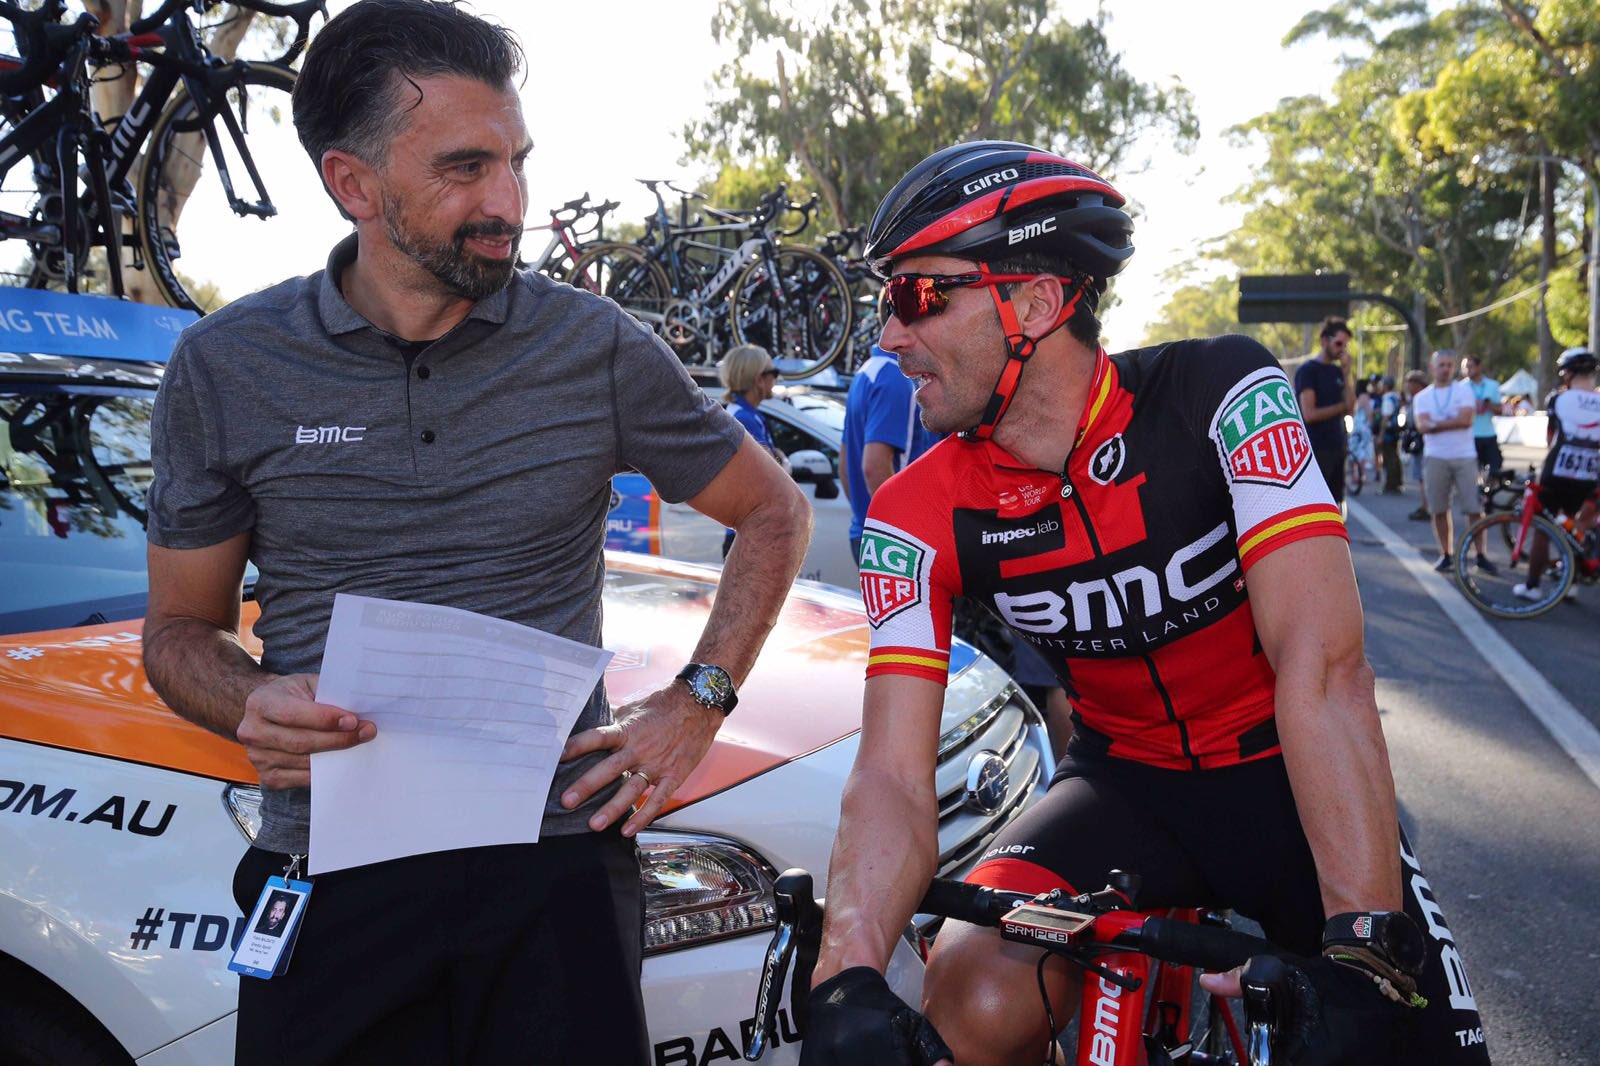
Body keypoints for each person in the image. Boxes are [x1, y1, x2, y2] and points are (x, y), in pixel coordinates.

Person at [140, 4, 811, 1064]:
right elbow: (177, 634)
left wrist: (700, 699)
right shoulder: (228, 367)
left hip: (553, 869)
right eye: (464, 168)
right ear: (352, 183)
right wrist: (248, 700)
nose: (507, 204)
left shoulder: (591, 346)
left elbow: (773, 509)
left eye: (515, 162)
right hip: (329, 861)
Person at [800, 140, 1487, 1066]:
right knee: (971, 995)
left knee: (1408, 1041)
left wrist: (1365, 944)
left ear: (1035, 303)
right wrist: (847, 974)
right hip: (1123, 786)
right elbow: (889, 773)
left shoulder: (1224, 394)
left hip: (1286, 775)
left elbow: (1323, 671)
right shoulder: (916, 514)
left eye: (919, 295)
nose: (888, 334)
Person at [1514, 347, 1600, 602]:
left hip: (1558, 471)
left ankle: (1532, 586)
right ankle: (1570, 583)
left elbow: (1550, 438)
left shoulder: (1558, 399)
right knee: (1574, 526)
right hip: (1590, 472)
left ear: (1569, 373)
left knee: (1544, 528)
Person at [842, 341, 936, 563]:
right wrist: (901, 529)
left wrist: (862, 514)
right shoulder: (893, 378)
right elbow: (874, 467)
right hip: (892, 539)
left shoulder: (867, 371)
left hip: (867, 531)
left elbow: (845, 462)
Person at [1415, 351, 1492, 574]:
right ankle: (1446, 554)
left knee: (1474, 508)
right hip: (1435, 457)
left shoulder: (1464, 390)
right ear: (1432, 367)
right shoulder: (1423, 397)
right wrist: (1451, 421)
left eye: (1449, 365)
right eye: (1441, 365)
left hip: (1465, 456)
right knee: (1439, 508)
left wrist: (1436, 424)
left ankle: (1481, 554)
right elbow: (1422, 426)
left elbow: (1466, 420)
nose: (1446, 369)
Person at [719, 344, 790, 557]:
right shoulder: (745, 418)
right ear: (759, 379)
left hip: (744, 530)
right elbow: (773, 476)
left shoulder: (744, 413)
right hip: (748, 534)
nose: (776, 379)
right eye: (773, 373)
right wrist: (782, 462)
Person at [1295, 317, 1354, 503]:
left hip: (1337, 447)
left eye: (1345, 345)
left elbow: (1351, 408)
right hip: (1316, 448)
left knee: (1336, 503)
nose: (1342, 349)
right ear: (1324, 341)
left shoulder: (1338, 372)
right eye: (1338, 343)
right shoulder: (1308, 371)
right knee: (1316, 503)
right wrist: (1341, 407)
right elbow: (1309, 414)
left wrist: (1346, 373)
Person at [1461, 353, 1503, 475]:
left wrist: (1488, 404)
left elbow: (1500, 410)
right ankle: (1474, 493)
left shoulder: (1492, 385)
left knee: (1494, 470)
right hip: (1469, 436)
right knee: (1469, 472)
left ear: (1479, 367)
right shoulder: (1460, 387)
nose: (1467, 370)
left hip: (1488, 434)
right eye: (1464, 367)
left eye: (1470, 366)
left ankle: (1488, 492)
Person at [1401, 369, 1430, 519]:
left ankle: (1427, 507)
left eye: (1410, 383)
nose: (1408, 387)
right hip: (1417, 439)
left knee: (1424, 475)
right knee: (1420, 476)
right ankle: (1425, 505)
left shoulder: (1423, 397)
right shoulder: (1414, 398)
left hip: (1424, 441)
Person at [1374, 374, 1403, 493]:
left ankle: (1390, 484)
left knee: (1389, 457)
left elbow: (1385, 418)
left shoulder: (1387, 398)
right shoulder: (1396, 397)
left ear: (1386, 386)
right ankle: (1397, 482)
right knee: (1395, 457)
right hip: (1395, 431)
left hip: (1388, 433)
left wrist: (1381, 435)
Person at [1349, 375, 1375, 485]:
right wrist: (1371, 422)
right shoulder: (1365, 397)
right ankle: (1361, 475)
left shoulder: (1357, 397)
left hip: (1356, 426)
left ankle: (1355, 475)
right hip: (1364, 427)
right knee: (1362, 452)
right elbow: (1369, 413)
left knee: (1355, 451)